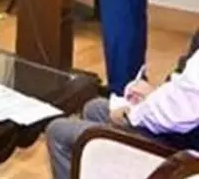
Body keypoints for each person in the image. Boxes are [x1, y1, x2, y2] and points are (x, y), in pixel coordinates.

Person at [45, 30, 199, 179]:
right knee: (95, 108)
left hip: (186, 158)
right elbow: (184, 91)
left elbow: (177, 112)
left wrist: (129, 115)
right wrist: (154, 95)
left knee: (58, 131)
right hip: (184, 129)